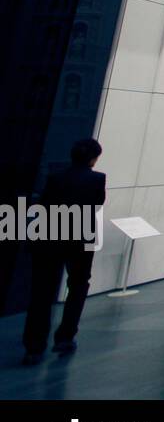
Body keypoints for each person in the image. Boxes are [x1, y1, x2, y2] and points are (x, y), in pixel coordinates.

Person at [21, 138, 107, 365]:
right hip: (79, 240)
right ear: (93, 158)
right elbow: (97, 205)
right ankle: (65, 336)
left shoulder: (55, 177)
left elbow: (44, 205)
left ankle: (34, 346)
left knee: (41, 293)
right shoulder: (97, 179)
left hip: (50, 238)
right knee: (78, 286)